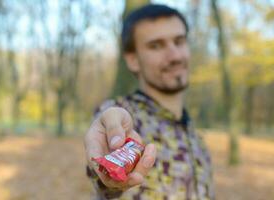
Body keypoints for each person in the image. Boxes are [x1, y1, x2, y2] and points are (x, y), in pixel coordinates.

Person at [84, 4, 214, 200]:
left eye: (179, 41)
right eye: (156, 45)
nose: (175, 56)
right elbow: (106, 186)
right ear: (133, 60)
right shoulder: (124, 117)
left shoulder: (196, 137)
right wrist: (108, 175)